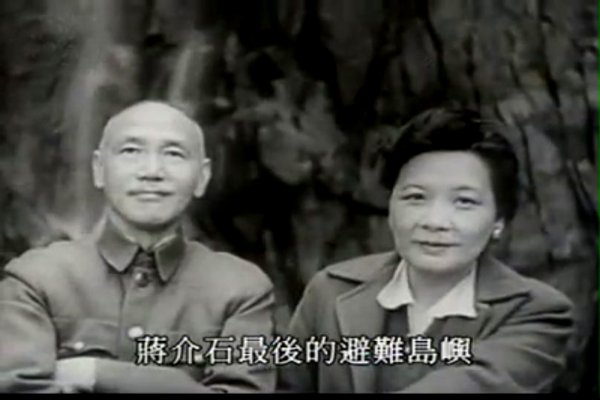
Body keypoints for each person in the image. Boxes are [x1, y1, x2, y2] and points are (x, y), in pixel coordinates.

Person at [278, 107, 574, 393]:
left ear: (499, 221)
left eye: (464, 202)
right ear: (390, 206)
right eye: (416, 197)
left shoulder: (535, 311)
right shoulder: (331, 290)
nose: (435, 222)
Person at [0, 101, 276, 393]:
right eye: (131, 151)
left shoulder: (241, 288)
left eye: (174, 154)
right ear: (98, 169)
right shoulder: (35, 278)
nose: (152, 171)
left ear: (202, 177)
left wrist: (96, 372)